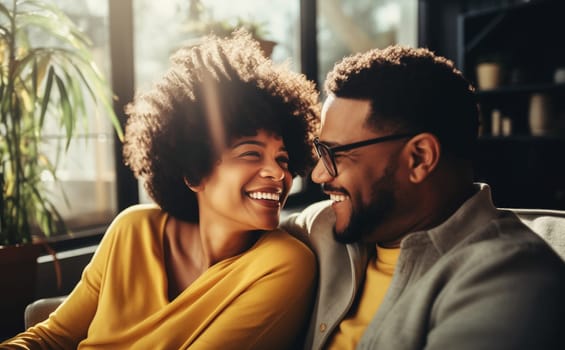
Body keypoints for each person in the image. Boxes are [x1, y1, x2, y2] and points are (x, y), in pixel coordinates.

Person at [2, 32, 320, 349]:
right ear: (194, 171)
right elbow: (51, 337)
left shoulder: (284, 264)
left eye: (283, 158)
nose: (278, 172)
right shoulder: (133, 229)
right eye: (251, 153)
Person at [281, 45, 565, 350]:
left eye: (335, 154)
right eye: (320, 151)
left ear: (419, 158)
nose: (319, 175)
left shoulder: (513, 280)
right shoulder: (319, 226)